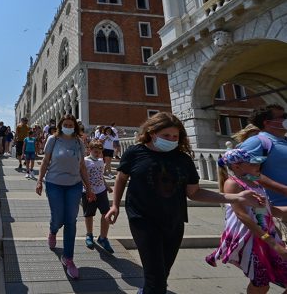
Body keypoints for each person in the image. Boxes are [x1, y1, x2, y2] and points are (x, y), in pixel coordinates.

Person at [105, 112, 266, 294]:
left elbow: (195, 193)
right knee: (156, 281)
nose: (172, 139)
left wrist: (236, 197)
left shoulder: (183, 159)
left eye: (175, 136)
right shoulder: (135, 152)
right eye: (166, 136)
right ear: (152, 133)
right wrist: (115, 205)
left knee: (162, 273)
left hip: (174, 221)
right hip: (142, 220)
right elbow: (121, 178)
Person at [207, 149, 287, 293]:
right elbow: (242, 216)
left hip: (267, 235)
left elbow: (270, 210)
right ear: (237, 166)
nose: (258, 166)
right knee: (261, 284)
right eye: (253, 163)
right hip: (252, 239)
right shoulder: (232, 184)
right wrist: (273, 243)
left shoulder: (255, 183)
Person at [36, 114, 96, 279]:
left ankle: (68, 258)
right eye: (66, 124)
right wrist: (39, 181)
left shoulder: (79, 142)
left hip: (74, 186)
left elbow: (82, 166)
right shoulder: (52, 140)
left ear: (75, 127)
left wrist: (89, 188)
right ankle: (53, 230)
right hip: (54, 184)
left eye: (71, 125)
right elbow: (45, 161)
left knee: (71, 220)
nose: (68, 127)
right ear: (61, 125)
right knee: (58, 217)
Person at [239, 104, 287, 207]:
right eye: (283, 117)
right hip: (278, 208)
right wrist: (283, 189)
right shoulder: (257, 142)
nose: (285, 119)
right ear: (267, 122)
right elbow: (246, 173)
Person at [82, 140, 114, 253]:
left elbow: (100, 175)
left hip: (101, 191)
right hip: (89, 192)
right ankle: (89, 234)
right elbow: (82, 176)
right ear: (89, 150)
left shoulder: (101, 161)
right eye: (95, 152)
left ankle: (103, 237)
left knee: (106, 213)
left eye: (100, 152)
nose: (98, 154)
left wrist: (106, 186)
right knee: (89, 214)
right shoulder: (85, 161)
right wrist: (88, 190)